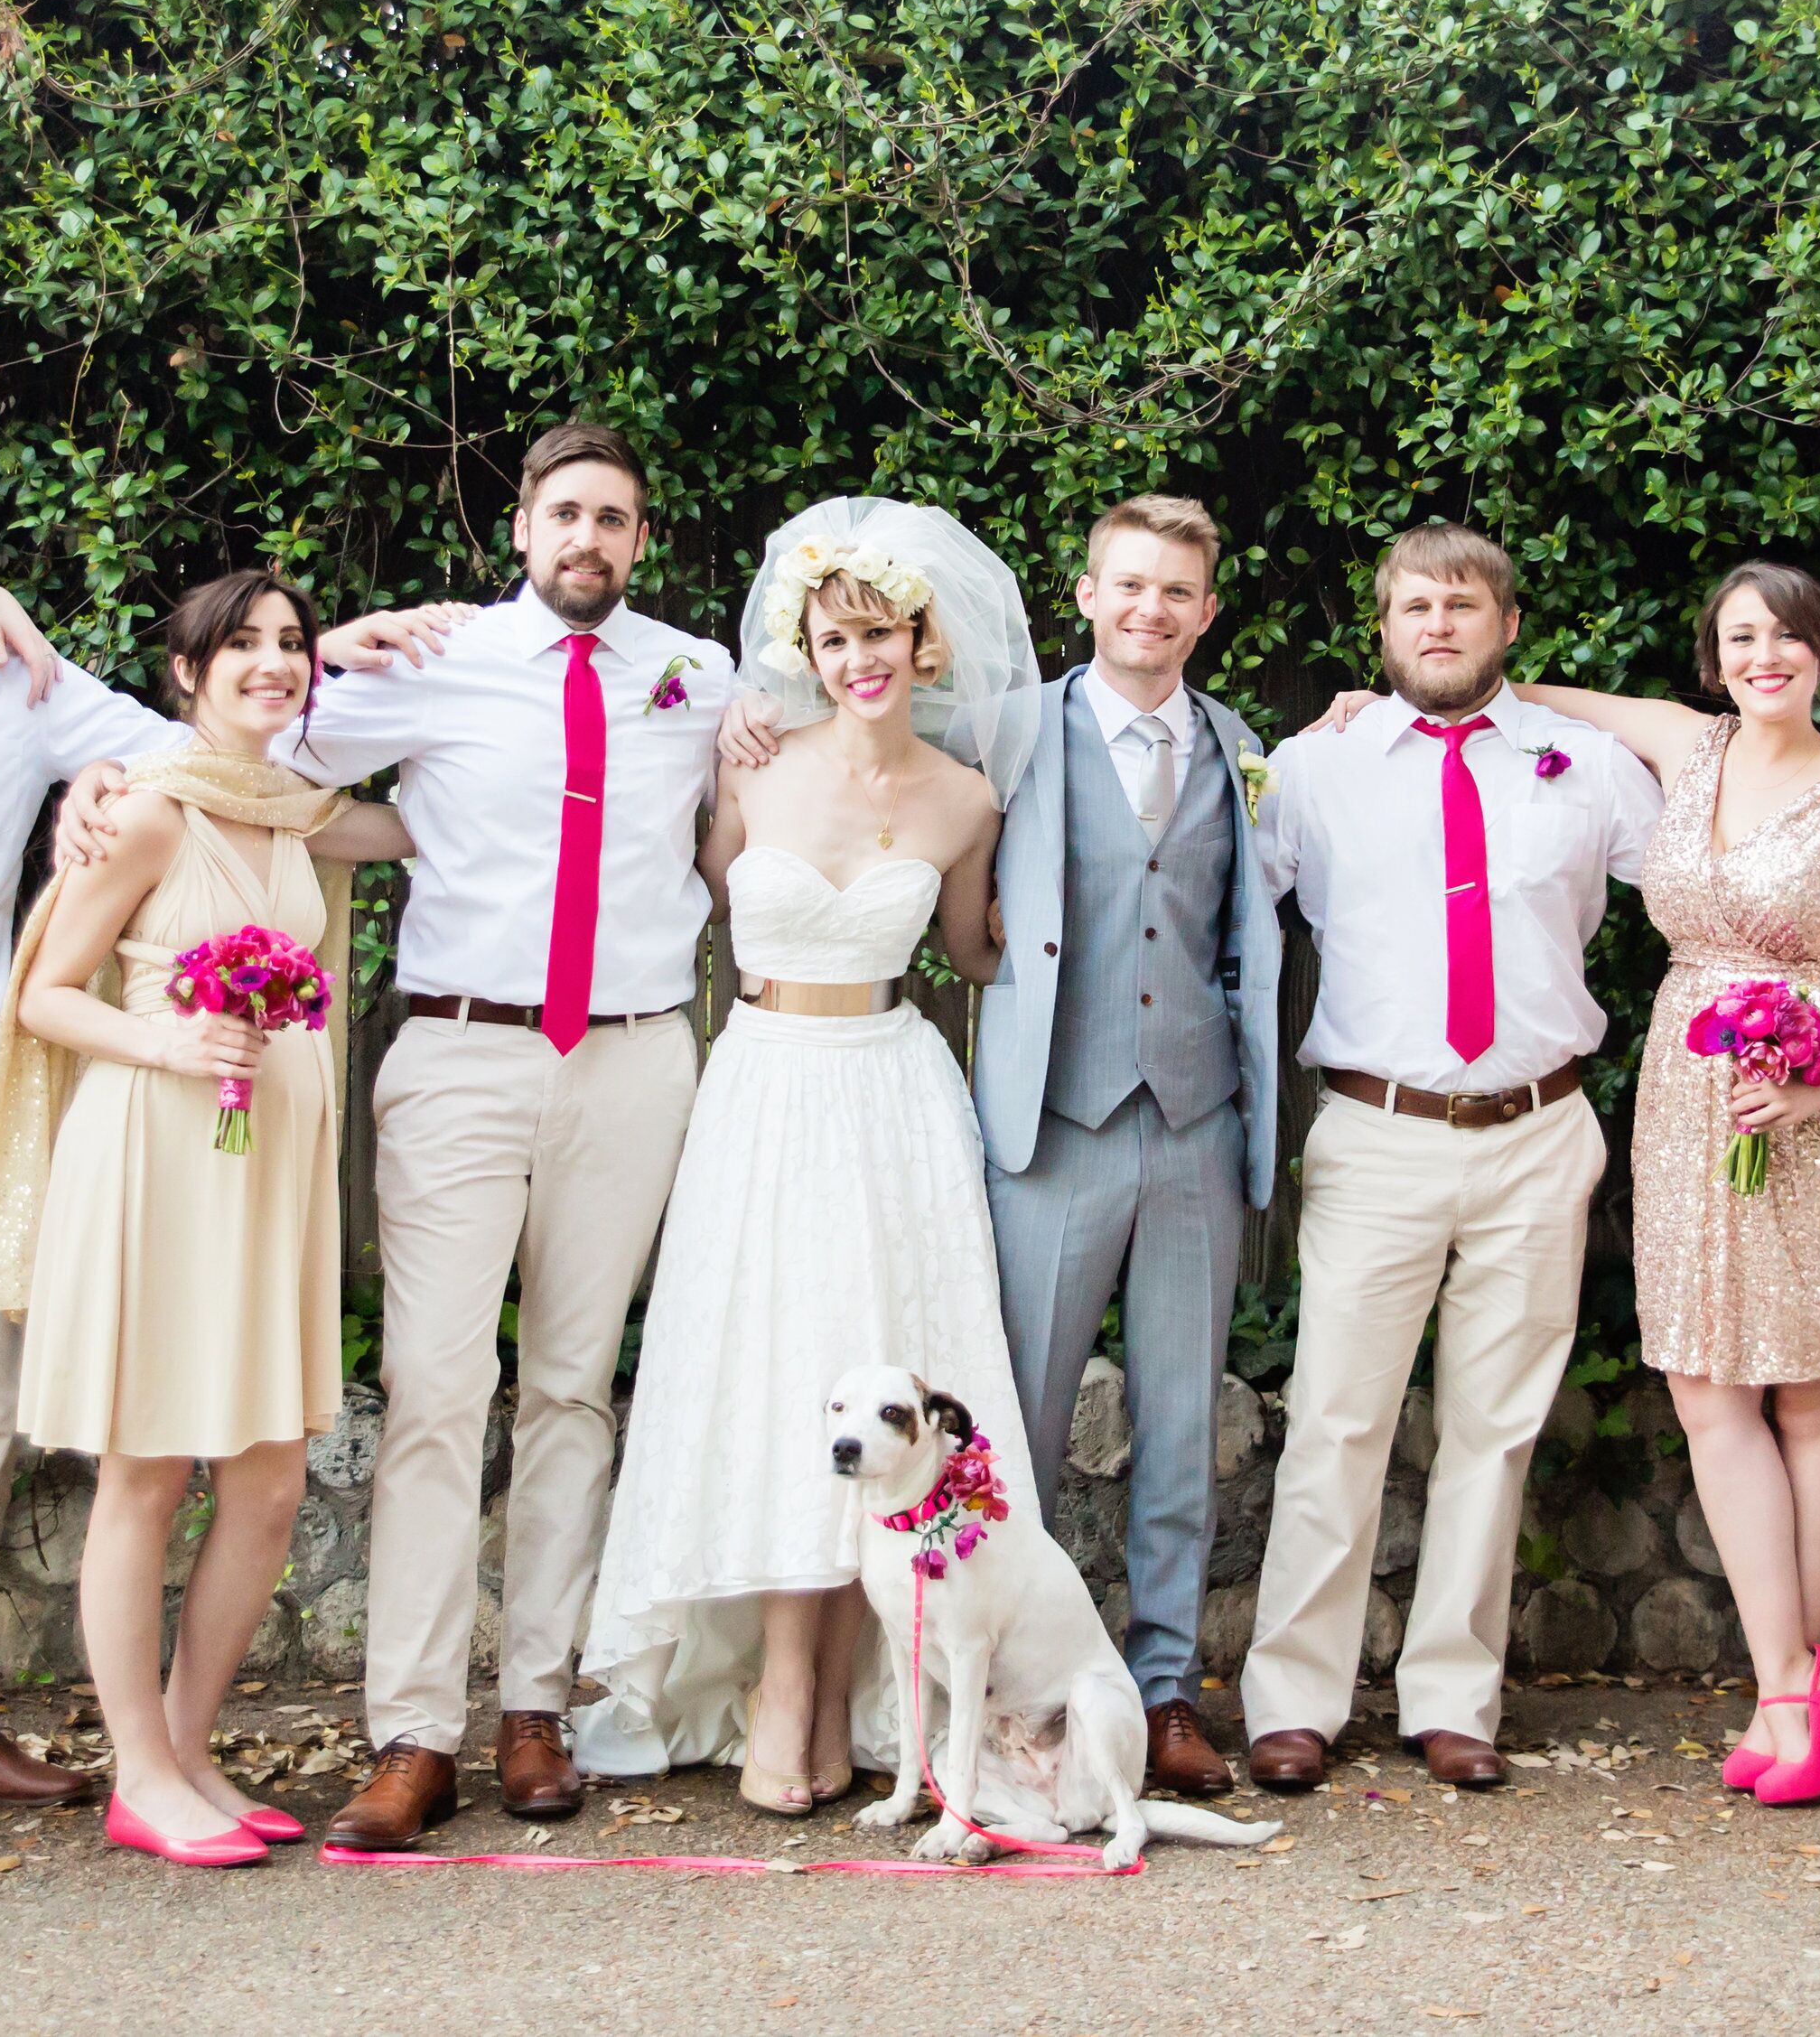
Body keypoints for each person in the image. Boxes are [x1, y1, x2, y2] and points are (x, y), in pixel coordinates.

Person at [718, 493, 1281, 1799]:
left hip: (1193, 1122)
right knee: (1001, 1433)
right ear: (1084, 595)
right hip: (1051, 1126)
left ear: (1206, 610)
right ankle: (970, 1706)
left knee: (1183, 1421)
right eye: (1126, 585)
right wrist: (747, 715)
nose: (1149, 610)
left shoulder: (1241, 746)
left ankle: (1160, 1688)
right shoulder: (1000, 731)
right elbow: (861, 715)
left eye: (1176, 592)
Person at [275, 420, 739, 1851]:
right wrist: (325, 653)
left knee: (573, 1386)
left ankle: (536, 1704)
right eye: (565, 515)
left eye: (614, 517)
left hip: (634, 1059)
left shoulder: (699, 675)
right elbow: (257, 753)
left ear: (640, 541)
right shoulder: (436, 660)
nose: (588, 539)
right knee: (429, 1385)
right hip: (463, 1053)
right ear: (522, 532)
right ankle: (412, 1730)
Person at [578, 497, 1037, 1811]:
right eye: (834, 639)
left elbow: (974, 953)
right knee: (780, 1372)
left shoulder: (965, 797)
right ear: (808, 650)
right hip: (767, 1090)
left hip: (894, 1098)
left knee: (888, 1364)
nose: (859, 661)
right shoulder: (753, 765)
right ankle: (783, 1691)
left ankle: (851, 1696)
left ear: (925, 643)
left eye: (881, 633)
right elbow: (682, 899)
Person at [1471, 562, 1820, 1806]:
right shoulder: (1688, 749)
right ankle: (1791, 1675)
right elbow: (1521, 691)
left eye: (1789, 636)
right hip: (1696, 1099)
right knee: (1704, 1385)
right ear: (1714, 655)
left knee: (1809, 1398)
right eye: (1743, 636)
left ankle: (1784, 1694)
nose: (1766, 655)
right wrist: (1365, 708)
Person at [0, 573, 415, 1867]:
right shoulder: (154, 813)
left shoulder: (299, 821)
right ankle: (138, 1771)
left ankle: (188, 1740)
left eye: (291, 647)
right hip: (159, 1154)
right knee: (148, 1470)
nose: (272, 665)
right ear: (186, 675)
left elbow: (437, 814)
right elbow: (46, 993)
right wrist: (164, 1040)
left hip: (267, 1165)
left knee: (271, 1478)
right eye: (244, 649)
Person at [1238, 522, 1662, 1795]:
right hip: (1378, 1133)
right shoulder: (1316, 769)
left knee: (1495, 1428)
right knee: (1338, 1418)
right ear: (1382, 628)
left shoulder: (1586, 767)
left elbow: (1714, 873)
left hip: (1539, 1132)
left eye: (1464, 605)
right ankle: (1296, 1697)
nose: (1439, 624)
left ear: (1508, 625)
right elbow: (1214, 914)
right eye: (1415, 606)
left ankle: (1452, 1695)